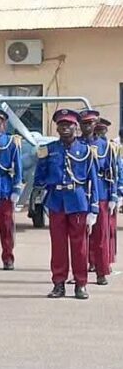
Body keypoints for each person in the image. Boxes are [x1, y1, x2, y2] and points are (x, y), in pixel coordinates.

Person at [35, 109, 99, 300]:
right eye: (61, 125)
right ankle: (58, 283)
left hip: (78, 201)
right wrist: (41, 194)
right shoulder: (49, 149)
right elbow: (39, 177)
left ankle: (81, 284)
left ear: (75, 127)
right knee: (58, 246)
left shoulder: (86, 150)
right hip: (56, 201)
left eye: (68, 125)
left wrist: (94, 208)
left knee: (79, 247)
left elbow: (93, 180)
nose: (65, 128)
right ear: (57, 128)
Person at [78, 110, 115, 286]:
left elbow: (111, 171)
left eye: (90, 123)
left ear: (95, 124)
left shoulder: (105, 146)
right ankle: (79, 272)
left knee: (100, 236)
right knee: (79, 238)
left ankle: (101, 272)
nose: (87, 126)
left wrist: (114, 195)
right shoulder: (75, 144)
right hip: (80, 195)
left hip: (101, 193)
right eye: (84, 123)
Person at [0, 106, 23, 271]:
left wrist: (16, 189)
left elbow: (18, 167)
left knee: (6, 227)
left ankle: (8, 257)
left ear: (3, 121)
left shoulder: (11, 141)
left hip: (5, 187)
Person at [95, 117, 120, 268]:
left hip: (105, 191)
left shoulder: (110, 147)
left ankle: (106, 261)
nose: (100, 133)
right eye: (98, 130)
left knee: (106, 231)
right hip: (91, 193)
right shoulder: (86, 145)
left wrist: (116, 193)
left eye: (103, 130)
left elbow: (116, 170)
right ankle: (92, 261)